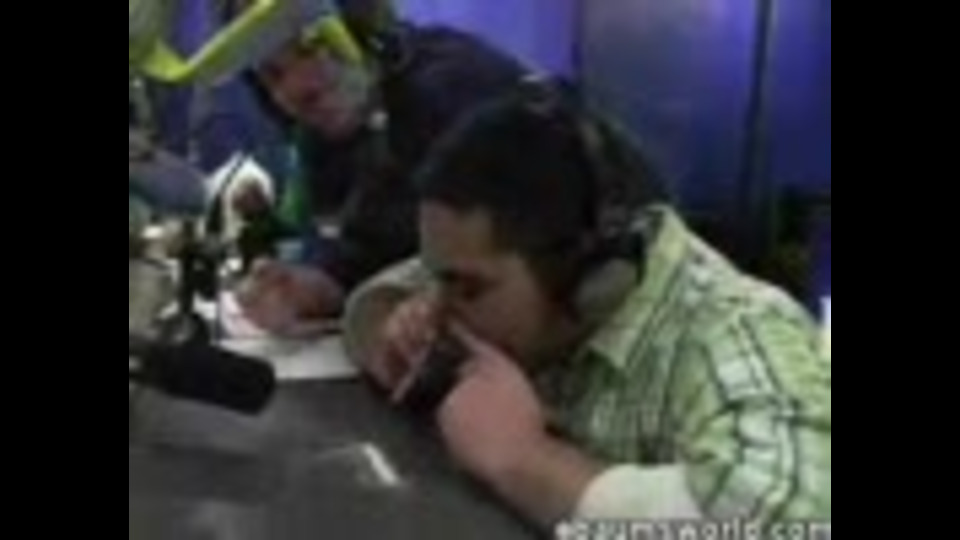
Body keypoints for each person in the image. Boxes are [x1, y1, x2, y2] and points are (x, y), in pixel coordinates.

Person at [343, 80, 832, 529]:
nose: (439, 311)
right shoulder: (493, 262)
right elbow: (378, 298)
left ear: (589, 280)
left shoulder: (732, 328)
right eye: (437, 281)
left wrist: (525, 460)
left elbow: (792, 522)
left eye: (466, 290)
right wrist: (392, 330)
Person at [232, 1, 527, 335]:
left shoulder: (453, 89)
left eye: (312, 45)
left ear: (365, 25)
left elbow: (483, 272)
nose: (296, 88)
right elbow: (360, 248)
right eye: (273, 74)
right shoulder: (326, 134)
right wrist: (316, 286)